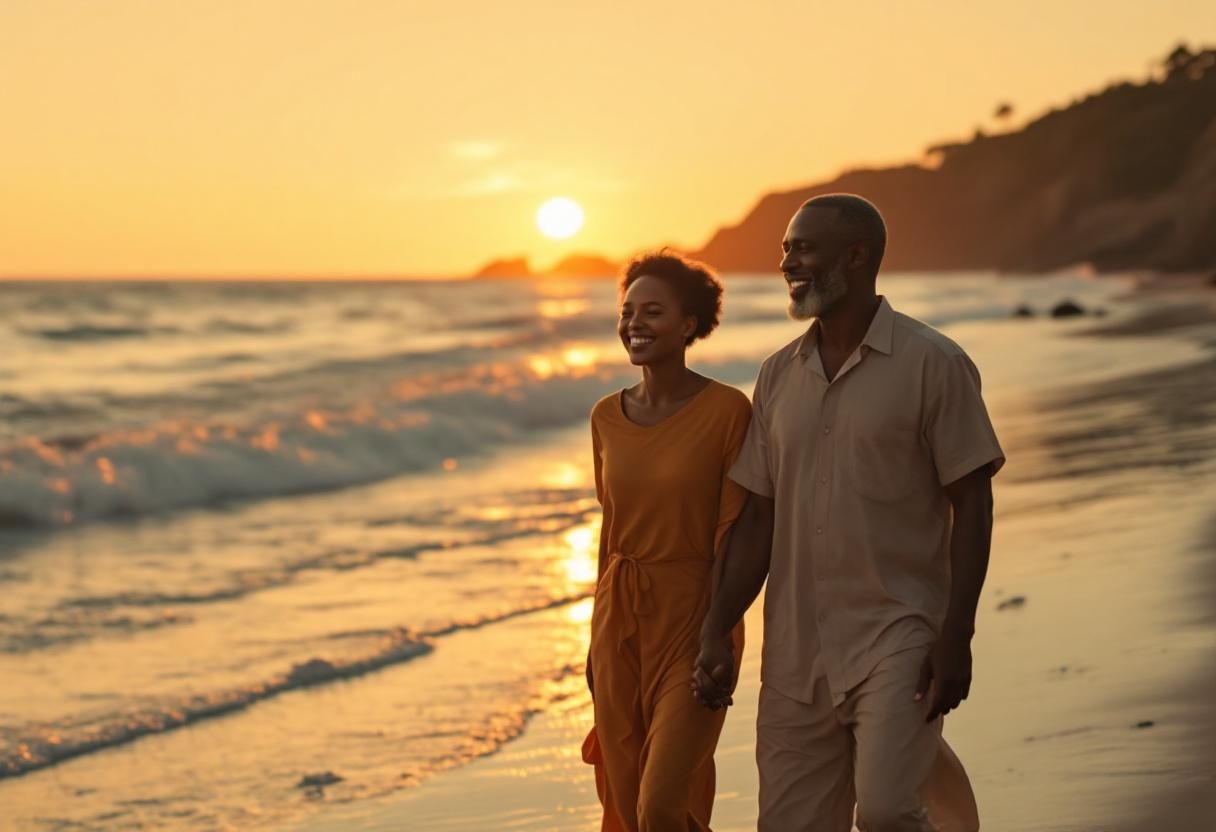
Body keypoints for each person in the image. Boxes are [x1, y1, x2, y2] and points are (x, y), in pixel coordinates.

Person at [692, 194, 1004, 832]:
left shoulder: (933, 364)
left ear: (857, 257)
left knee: (887, 811)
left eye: (801, 248)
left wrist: (957, 636)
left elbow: (972, 503)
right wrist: (717, 626)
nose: (787, 262)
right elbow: (758, 518)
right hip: (795, 653)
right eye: (786, 249)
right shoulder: (778, 376)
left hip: (900, 634)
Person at [582, 251, 751, 832]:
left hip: (696, 619)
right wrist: (592, 643)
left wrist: (717, 635)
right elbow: (610, 534)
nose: (635, 324)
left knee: (659, 805)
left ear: (689, 324)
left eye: (653, 312)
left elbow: (735, 532)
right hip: (618, 623)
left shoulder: (728, 411)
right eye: (627, 311)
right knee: (629, 805)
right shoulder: (606, 416)